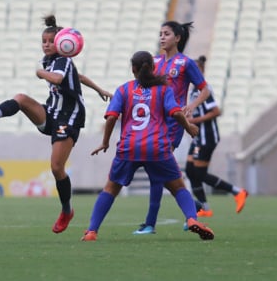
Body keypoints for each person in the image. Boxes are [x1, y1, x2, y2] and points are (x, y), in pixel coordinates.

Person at [0, 15, 111, 234]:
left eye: (50, 41)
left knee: (56, 167)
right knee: (22, 98)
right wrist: (99, 89)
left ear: (62, 43)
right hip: (51, 113)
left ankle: (66, 210)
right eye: (43, 41)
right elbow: (77, 76)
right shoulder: (51, 61)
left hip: (69, 118)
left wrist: (39, 73)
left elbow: (59, 79)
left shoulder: (61, 60)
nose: (45, 45)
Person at [82, 51, 214, 242]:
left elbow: (111, 117)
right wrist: (188, 127)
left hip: (129, 147)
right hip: (157, 147)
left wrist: (105, 142)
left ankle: (92, 231)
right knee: (178, 187)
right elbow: (176, 113)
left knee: (110, 189)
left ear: (133, 69)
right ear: (153, 68)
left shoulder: (124, 89)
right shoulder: (163, 89)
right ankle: (192, 218)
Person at [133, 21, 211, 235]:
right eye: (160, 34)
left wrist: (191, 106)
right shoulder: (154, 61)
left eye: (166, 34)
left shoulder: (185, 63)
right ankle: (193, 207)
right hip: (153, 122)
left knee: (157, 170)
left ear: (177, 38)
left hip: (173, 123)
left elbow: (204, 89)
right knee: (160, 171)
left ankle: (150, 223)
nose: (162, 37)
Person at [185, 56, 248, 219]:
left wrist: (193, 121)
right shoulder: (193, 91)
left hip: (208, 137)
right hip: (199, 139)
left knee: (199, 173)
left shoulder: (202, 90)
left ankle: (238, 192)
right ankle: (205, 208)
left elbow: (216, 111)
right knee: (191, 171)